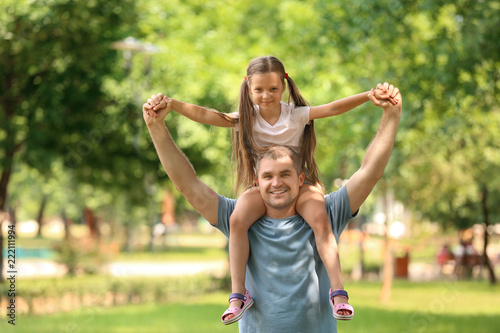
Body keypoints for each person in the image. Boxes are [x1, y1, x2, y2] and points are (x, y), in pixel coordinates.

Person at [144, 56, 399, 324]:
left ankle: (337, 291)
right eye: (259, 90)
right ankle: (237, 296)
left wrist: (369, 96)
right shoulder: (247, 118)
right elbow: (209, 118)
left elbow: (334, 110)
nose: (266, 96)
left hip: (305, 189)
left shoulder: (296, 115)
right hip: (259, 190)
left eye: (273, 89)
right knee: (237, 220)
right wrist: (172, 106)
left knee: (320, 220)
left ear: (284, 86)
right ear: (248, 88)